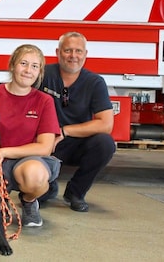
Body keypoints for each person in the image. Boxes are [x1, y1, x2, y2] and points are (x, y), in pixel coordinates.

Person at [0, 44, 61, 229]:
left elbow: (45, 147)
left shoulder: (44, 101)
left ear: (40, 71)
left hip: (25, 162)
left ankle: (29, 201)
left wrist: (5, 152)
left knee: (35, 176)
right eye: (23, 63)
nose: (28, 70)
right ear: (12, 65)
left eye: (34, 66)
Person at [39, 32, 116, 212]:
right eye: (68, 50)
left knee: (105, 143)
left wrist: (64, 131)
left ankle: (75, 192)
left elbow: (106, 124)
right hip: (45, 141)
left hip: (76, 142)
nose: (73, 56)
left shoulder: (95, 82)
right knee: (37, 195)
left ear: (85, 54)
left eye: (78, 51)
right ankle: (46, 188)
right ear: (58, 52)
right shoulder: (42, 74)